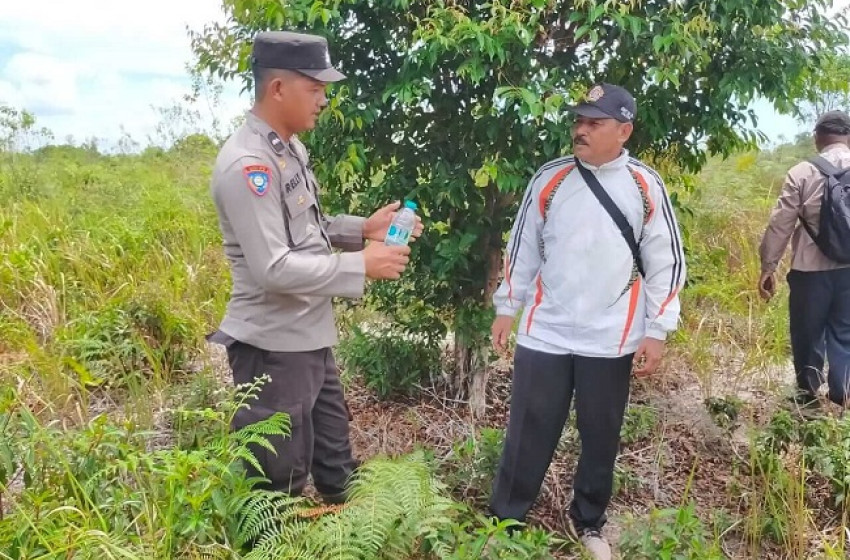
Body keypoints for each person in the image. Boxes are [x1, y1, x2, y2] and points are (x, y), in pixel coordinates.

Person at [207, 30, 422, 503]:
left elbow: (307, 228)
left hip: (309, 336)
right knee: (276, 484)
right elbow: (273, 267)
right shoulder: (249, 165)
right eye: (315, 88)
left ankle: (348, 532)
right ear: (277, 88)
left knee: (337, 467)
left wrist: (363, 228)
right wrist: (361, 265)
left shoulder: (289, 150)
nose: (324, 100)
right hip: (273, 346)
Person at [488, 83, 686, 560]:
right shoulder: (550, 178)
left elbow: (666, 262)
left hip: (612, 335)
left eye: (594, 123)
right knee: (528, 429)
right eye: (579, 121)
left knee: (600, 434)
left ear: (623, 131)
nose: (581, 130)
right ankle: (505, 520)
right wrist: (507, 307)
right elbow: (522, 247)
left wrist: (657, 330)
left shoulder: (644, 185)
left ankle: (590, 522)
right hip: (546, 329)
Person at [758, 110, 850, 412]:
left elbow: (780, 223)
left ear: (817, 137)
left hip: (809, 272)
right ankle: (843, 392)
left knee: (807, 334)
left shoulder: (802, 172)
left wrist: (768, 266)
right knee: (845, 334)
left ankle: (808, 397)